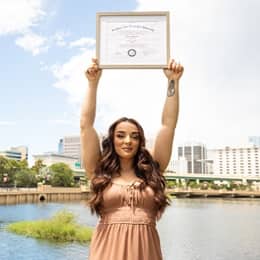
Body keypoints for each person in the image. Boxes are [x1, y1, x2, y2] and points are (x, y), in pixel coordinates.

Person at [80, 58, 184, 260]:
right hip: (106, 251)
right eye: (120, 135)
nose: (128, 141)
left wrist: (173, 81)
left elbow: (168, 126)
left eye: (134, 136)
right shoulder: (99, 170)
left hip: (146, 252)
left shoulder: (152, 169)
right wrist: (92, 83)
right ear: (112, 139)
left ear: (140, 141)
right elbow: (86, 125)